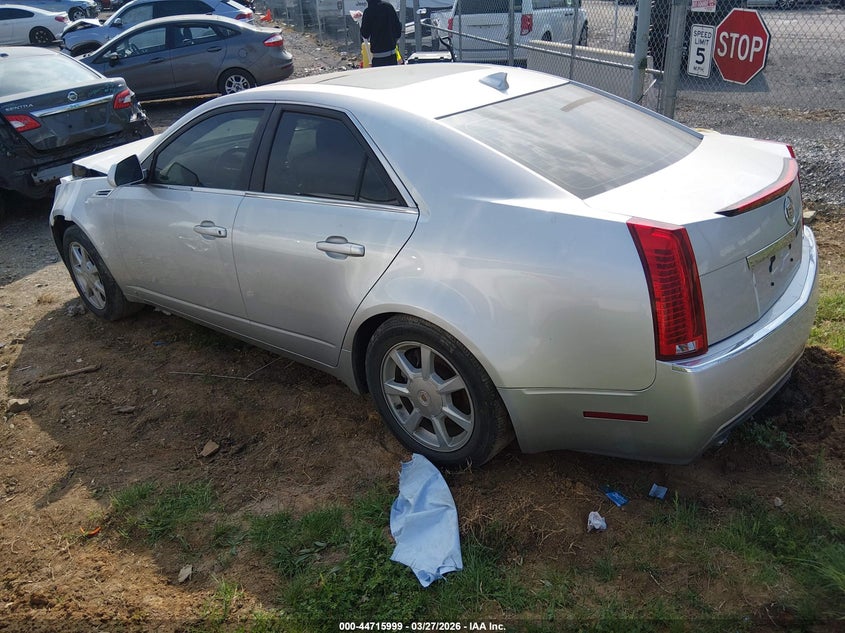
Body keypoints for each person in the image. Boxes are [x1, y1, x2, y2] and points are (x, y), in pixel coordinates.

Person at [360, 0, 402, 67]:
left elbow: (365, 34)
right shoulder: (388, 7)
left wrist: (362, 20)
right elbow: (398, 30)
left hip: (377, 57)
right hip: (391, 55)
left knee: (379, 76)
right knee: (392, 76)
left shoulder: (368, 12)